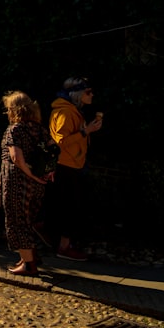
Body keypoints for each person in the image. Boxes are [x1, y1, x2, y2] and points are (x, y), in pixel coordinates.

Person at [0, 92, 56, 276]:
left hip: (18, 183)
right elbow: (53, 152)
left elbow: (16, 157)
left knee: (16, 221)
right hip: (37, 186)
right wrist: (44, 175)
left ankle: (29, 265)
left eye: (8, 109)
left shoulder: (15, 130)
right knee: (28, 221)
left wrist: (31, 175)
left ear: (14, 110)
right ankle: (29, 257)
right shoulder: (40, 129)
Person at [46, 77, 103, 261]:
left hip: (72, 164)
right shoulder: (65, 112)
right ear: (77, 94)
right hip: (66, 165)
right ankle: (63, 247)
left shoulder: (72, 111)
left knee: (69, 206)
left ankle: (60, 242)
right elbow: (61, 141)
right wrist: (86, 132)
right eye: (88, 92)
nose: (91, 95)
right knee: (69, 207)